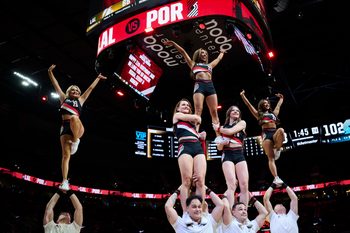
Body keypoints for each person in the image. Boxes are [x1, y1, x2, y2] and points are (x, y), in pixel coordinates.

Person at [48, 64, 107, 190]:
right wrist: (50, 72)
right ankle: (64, 181)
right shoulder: (63, 98)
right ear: (68, 92)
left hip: (77, 128)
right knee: (65, 156)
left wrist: (98, 78)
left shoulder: (80, 100)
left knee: (74, 117)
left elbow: (90, 89)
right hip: (65, 128)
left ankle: (76, 141)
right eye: (72, 90)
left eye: (77, 90)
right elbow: (56, 85)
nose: (75, 91)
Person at [164, 40, 225, 134]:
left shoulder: (210, 66)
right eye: (202, 53)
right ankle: (195, 133)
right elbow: (183, 52)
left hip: (210, 86)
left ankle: (218, 136)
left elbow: (218, 59)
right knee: (198, 110)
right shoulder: (193, 64)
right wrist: (173, 43)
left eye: (205, 53)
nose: (204, 55)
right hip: (199, 86)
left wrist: (221, 52)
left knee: (214, 111)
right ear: (198, 55)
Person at [240, 90, 285, 186]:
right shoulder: (259, 115)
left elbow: (278, 106)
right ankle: (276, 178)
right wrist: (243, 96)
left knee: (281, 130)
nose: (267, 104)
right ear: (262, 106)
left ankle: (277, 149)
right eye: (264, 103)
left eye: (267, 103)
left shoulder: (274, 114)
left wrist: (281, 98)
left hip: (274, 133)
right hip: (266, 135)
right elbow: (249, 105)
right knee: (271, 158)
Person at [173, 98, 207, 212]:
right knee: (187, 181)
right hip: (185, 147)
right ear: (177, 108)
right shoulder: (177, 116)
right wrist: (197, 118)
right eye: (183, 105)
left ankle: (200, 212)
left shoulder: (193, 125)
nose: (187, 106)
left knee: (201, 181)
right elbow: (197, 118)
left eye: (188, 105)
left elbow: (196, 131)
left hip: (197, 148)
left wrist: (200, 135)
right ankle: (186, 212)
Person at [212, 105, 249, 208]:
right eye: (233, 110)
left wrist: (218, 128)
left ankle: (244, 213)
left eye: (238, 110)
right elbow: (219, 147)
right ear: (229, 113)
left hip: (239, 153)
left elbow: (230, 131)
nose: (236, 112)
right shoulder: (223, 127)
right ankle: (231, 215)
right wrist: (223, 142)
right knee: (231, 185)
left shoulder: (242, 123)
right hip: (227, 154)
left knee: (244, 185)